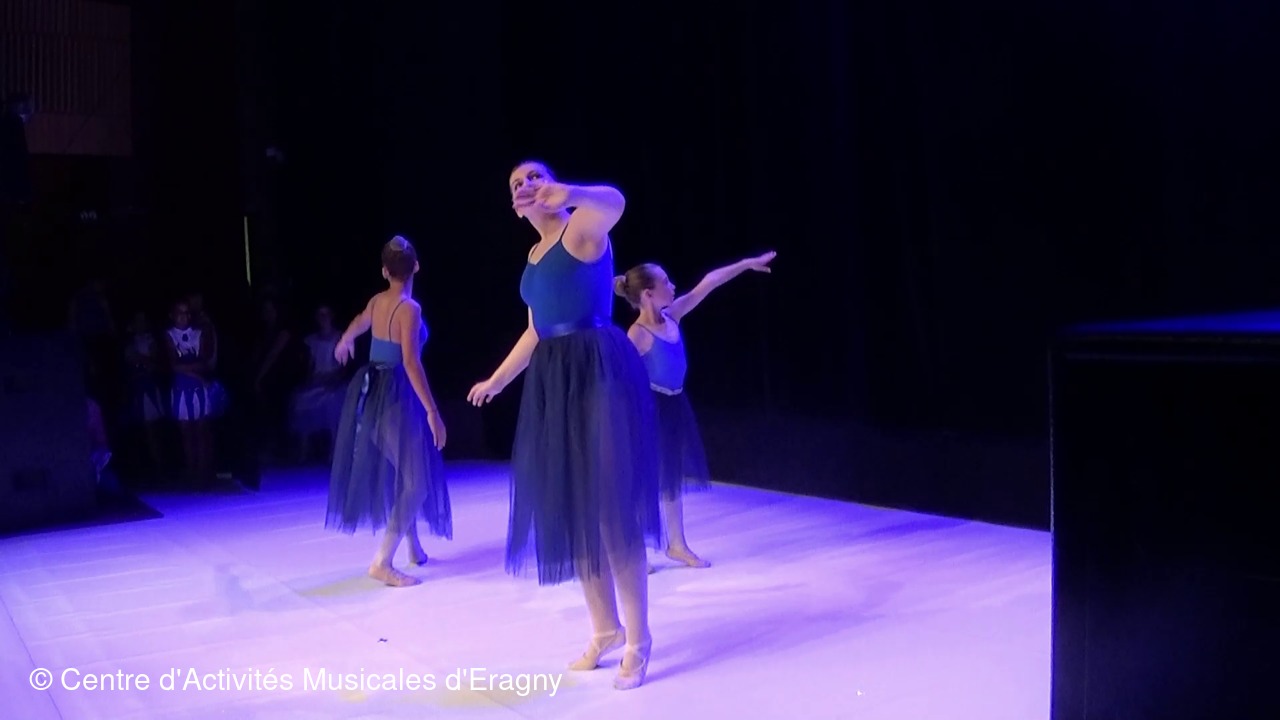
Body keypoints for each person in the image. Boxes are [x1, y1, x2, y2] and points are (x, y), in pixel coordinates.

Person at [468, 161, 660, 690]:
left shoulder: (581, 227)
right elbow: (536, 331)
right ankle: (604, 629)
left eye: (534, 176)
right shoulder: (533, 258)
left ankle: (639, 639)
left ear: (549, 185)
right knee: (575, 508)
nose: (526, 185)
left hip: (597, 370)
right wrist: (498, 379)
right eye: (516, 183)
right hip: (555, 379)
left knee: (611, 511)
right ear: (514, 206)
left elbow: (616, 201)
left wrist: (569, 192)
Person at [614, 252, 776, 570]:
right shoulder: (637, 334)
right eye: (665, 283)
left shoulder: (673, 314)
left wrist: (746, 264)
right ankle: (634, 550)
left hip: (674, 405)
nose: (673, 286)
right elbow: (620, 377)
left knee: (670, 477)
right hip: (648, 410)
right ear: (647, 294)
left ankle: (676, 544)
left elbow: (708, 283)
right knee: (642, 480)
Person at [328, 236, 450, 588]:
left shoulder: (377, 301)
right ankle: (382, 560)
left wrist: (345, 339)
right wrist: (432, 410)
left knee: (405, 473)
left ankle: (413, 545)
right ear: (416, 267)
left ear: (384, 271)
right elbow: (410, 362)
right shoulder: (409, 308)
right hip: (394, 396)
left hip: (373, 394)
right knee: (417, 481)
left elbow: (360, 321)